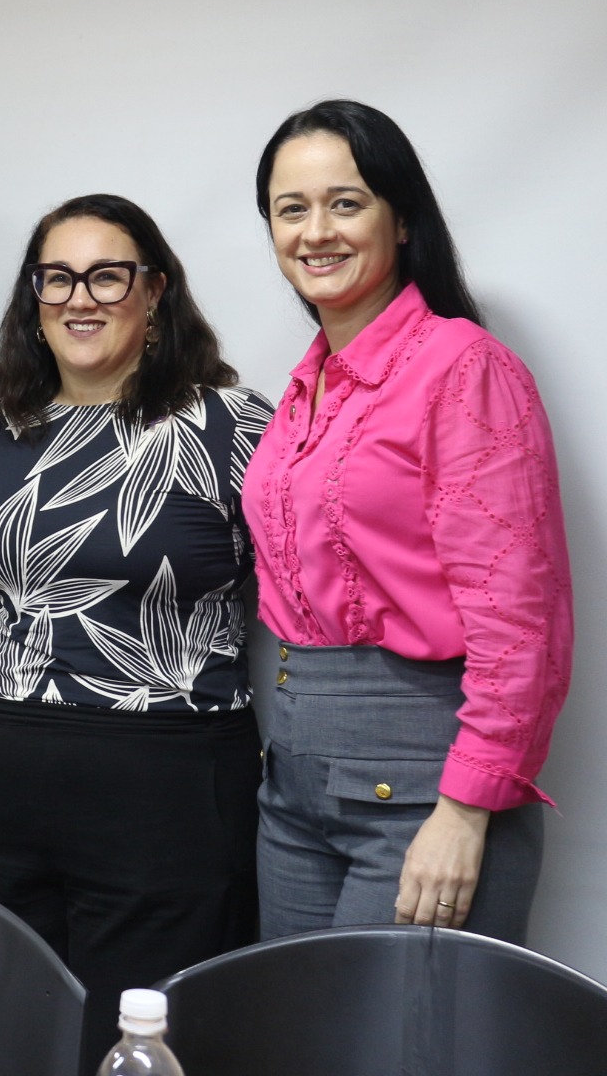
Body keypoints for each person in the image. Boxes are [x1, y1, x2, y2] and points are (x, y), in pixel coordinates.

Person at [0, 193, 271, 1067]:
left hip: (165, 776)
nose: (79, 298)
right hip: (3, 766)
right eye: (57, 277)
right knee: (3, 1033)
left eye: (107, 276)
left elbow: (300, 595)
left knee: (138, 1043)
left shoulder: (230, 424)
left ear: (155, 290)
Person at [244, 99, 571, 942]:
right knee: (297, 1019)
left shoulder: (464, 370)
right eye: (291, 209)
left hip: (424, 792)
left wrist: (465, 809)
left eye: (345, 203)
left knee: (403, 1023)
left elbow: (519, 621)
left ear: (401, 220)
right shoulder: (303, 390)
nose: (316, 231)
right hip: (294, 787)